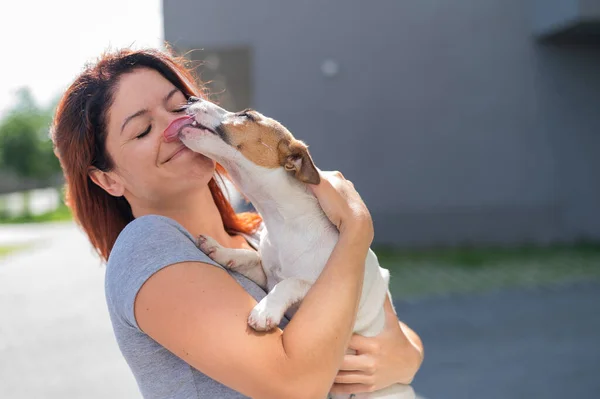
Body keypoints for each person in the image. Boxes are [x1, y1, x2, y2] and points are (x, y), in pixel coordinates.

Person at [50, 48, 423, 399]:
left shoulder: (259, 235)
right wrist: (356, 231)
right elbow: (296, 385)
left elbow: (385, 319)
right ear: (108, 180)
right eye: (143, 130)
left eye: (179, 105)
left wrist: (403, 358)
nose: (172, 125)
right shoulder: (149, 247)